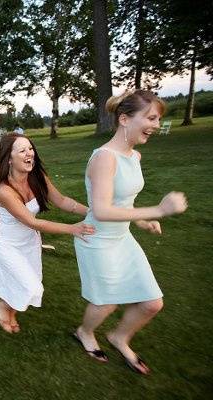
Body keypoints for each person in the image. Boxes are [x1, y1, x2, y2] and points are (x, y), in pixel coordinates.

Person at [73, 90, 187, 374]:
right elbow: (101, 210)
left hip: (122, 237)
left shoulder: (134, 155)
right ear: (124, 119)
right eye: (150, 118)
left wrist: (139, 221)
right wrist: (157, 211)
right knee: (106, 302)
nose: (156, 124)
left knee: (152, 303)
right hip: (97, 238)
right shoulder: (104, 158)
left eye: (158, 119)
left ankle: (119, 337)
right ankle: (85, 332)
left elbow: (123, 201)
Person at [0, 134, 93, 334]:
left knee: (27, 282)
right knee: (32, 287)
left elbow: (63, 201)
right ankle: (3, 307)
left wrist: (93, 211)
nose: (30, 153)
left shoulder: (38, 177)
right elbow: (32, 221)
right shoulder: (4, 191)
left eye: (30, 148)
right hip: (9, 244)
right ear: (9, 159)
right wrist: (73, 229)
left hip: (29, 242)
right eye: (22, 150)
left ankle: (10, 310)